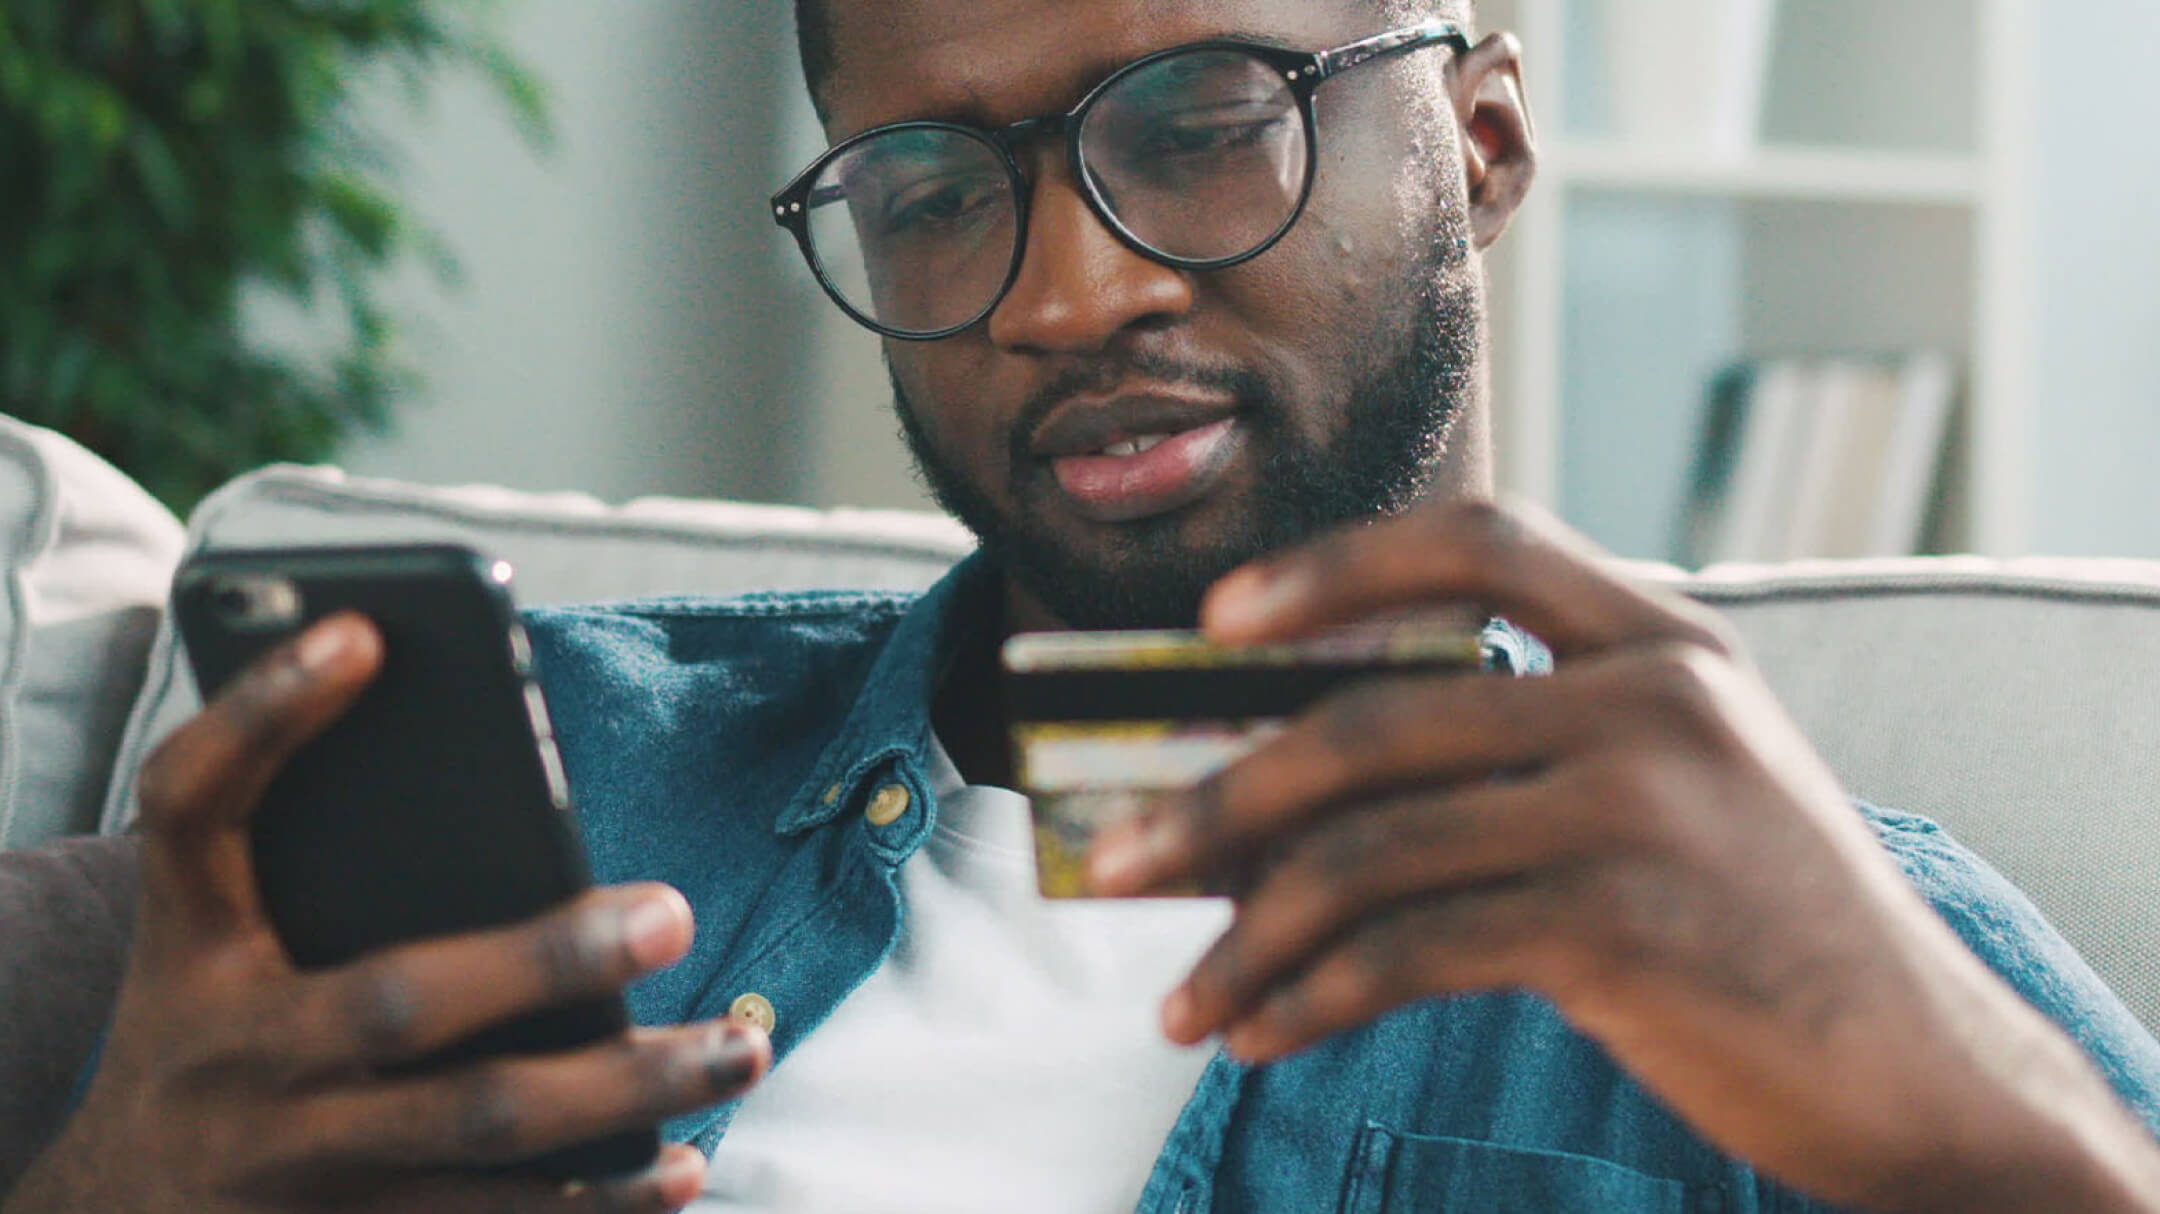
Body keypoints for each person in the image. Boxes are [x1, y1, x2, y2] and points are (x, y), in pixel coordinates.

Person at [9, 1, 2160, 1211]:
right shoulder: (552, 780)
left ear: (1485, 141)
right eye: (936, 191)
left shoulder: (1829, 943)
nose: (1068, 289)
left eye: (1208, 123)